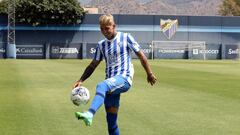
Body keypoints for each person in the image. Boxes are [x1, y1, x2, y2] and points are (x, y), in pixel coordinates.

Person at [73, 14, 157, 135]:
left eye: (107, 28)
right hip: (111, 86)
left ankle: (89, 113)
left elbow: (141, 56)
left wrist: (149, 73)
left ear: (114, 26)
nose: (104, 31)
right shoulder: (101, 45)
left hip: (124, 79)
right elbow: (93, 65)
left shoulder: (126, 37)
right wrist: (81, 80)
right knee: (111, 124)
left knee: (101, 86)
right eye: (102, 29)